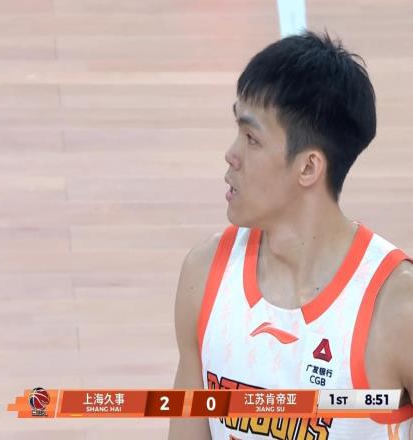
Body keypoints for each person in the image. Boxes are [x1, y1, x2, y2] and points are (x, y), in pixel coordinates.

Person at [168, 30, 413, 439]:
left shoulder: (397, 310)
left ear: (308, 168)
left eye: (252, 139)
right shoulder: (204, 274)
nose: (231, 154)